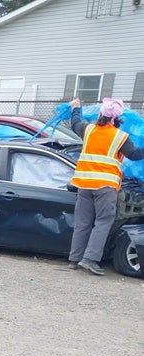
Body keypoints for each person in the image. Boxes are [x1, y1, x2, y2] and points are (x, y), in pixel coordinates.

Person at [67, 97, 144, 275]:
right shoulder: (120, 137)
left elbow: (75, 123)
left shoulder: (89, 130)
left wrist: (76, 108)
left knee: (83, 223)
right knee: (103, 222)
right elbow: (134, 154)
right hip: (105, 187)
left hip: (84, 184)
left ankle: (74, 259)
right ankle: (90, 259)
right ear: (117, 118)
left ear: (101, 113)